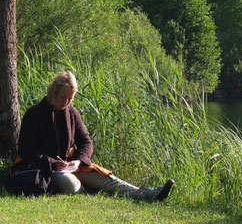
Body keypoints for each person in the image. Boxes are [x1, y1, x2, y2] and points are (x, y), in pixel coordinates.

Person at [17, 71, 174, 202]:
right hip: (45, 169)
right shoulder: (34, 113)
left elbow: (86, 142)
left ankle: (146, 194)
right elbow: (25, 149)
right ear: (53, 93)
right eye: (62, 97)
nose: (66, 102)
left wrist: (78, 160)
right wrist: (53, 163)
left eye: (70, 98)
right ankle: (87, 195)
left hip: (71, 165)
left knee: (105, 178)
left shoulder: (72, 113)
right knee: (68, 182)